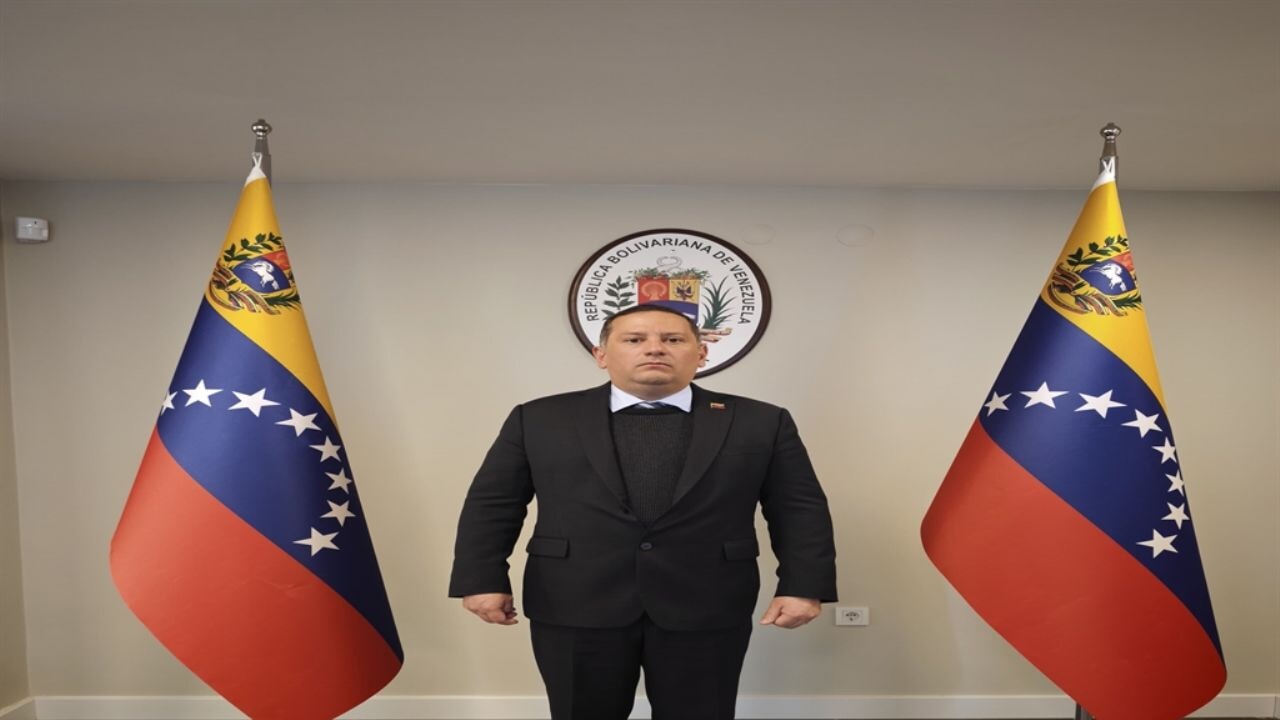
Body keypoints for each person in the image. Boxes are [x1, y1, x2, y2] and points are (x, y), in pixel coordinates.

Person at [448, 304, 837, 720]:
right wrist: (482, 578)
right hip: (574, 600)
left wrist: (802, 585)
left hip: (707, 601)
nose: (655, 348)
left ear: (701, 353)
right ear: (601, 355)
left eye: (673, 339)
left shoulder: (761, 422)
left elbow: (798, 507)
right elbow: (494, 503)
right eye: (635, 339)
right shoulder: (538, 418)